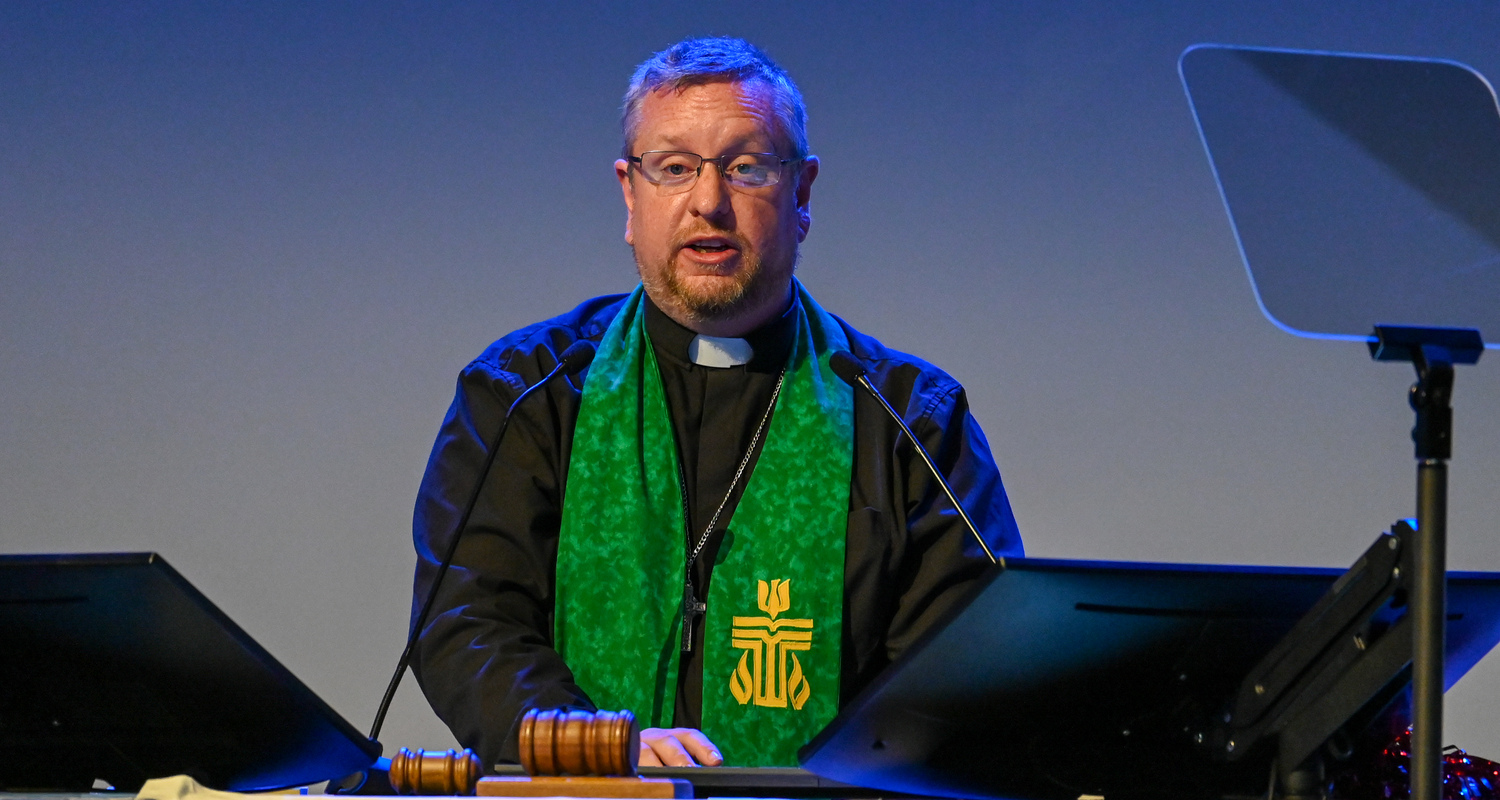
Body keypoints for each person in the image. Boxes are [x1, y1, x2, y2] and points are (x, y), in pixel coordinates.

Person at [408, 36, 1023, 770]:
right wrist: (597, 750)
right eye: (673, 169)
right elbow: (467, 625)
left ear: (801, 195)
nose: (708, 203)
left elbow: (968, 670)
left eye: (746, 168)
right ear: (629, 196)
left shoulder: (909, 419)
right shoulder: (527, 391)